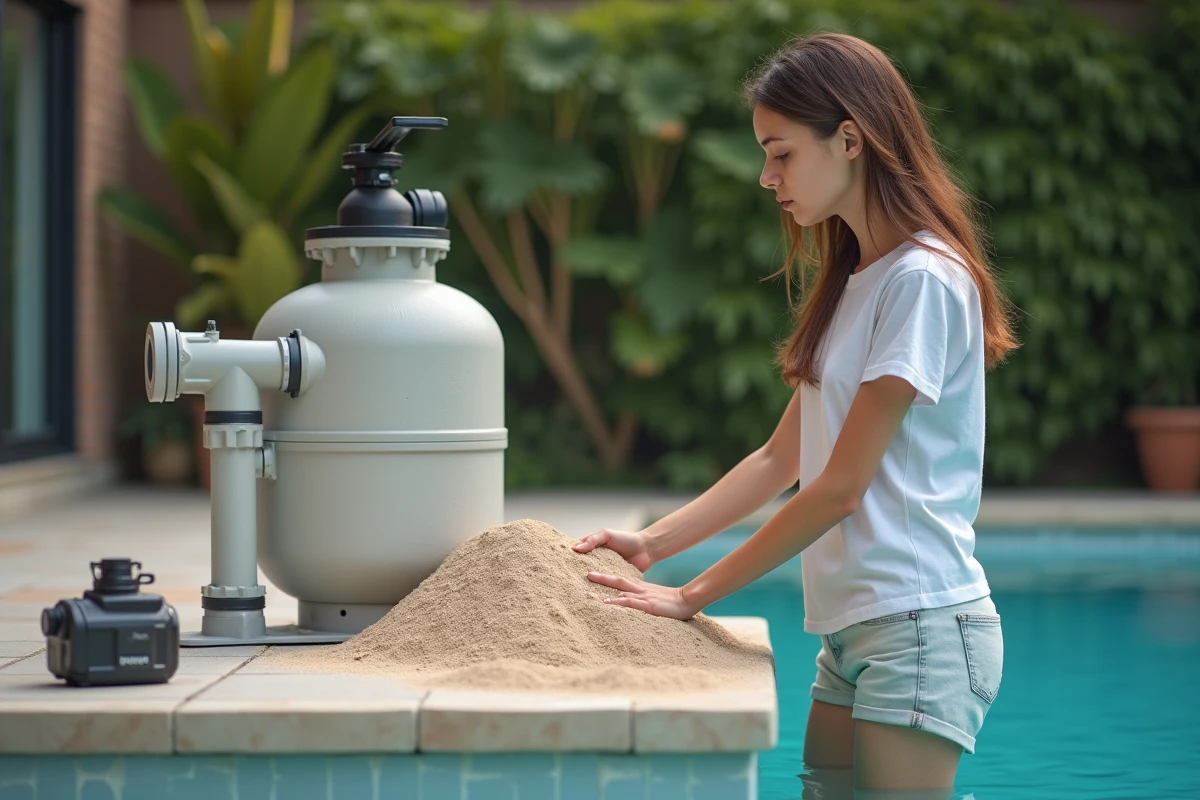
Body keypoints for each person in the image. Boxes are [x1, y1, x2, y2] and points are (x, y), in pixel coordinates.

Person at [571, 31, 1019, 795]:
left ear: (849, 139)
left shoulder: (923, 280)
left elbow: (837, 488)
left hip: (919, 625)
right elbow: (782, 459)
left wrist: (691, 596)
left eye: (781, 153)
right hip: (854, 631)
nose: (765, 175)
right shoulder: (856, 281)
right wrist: (652, 543)